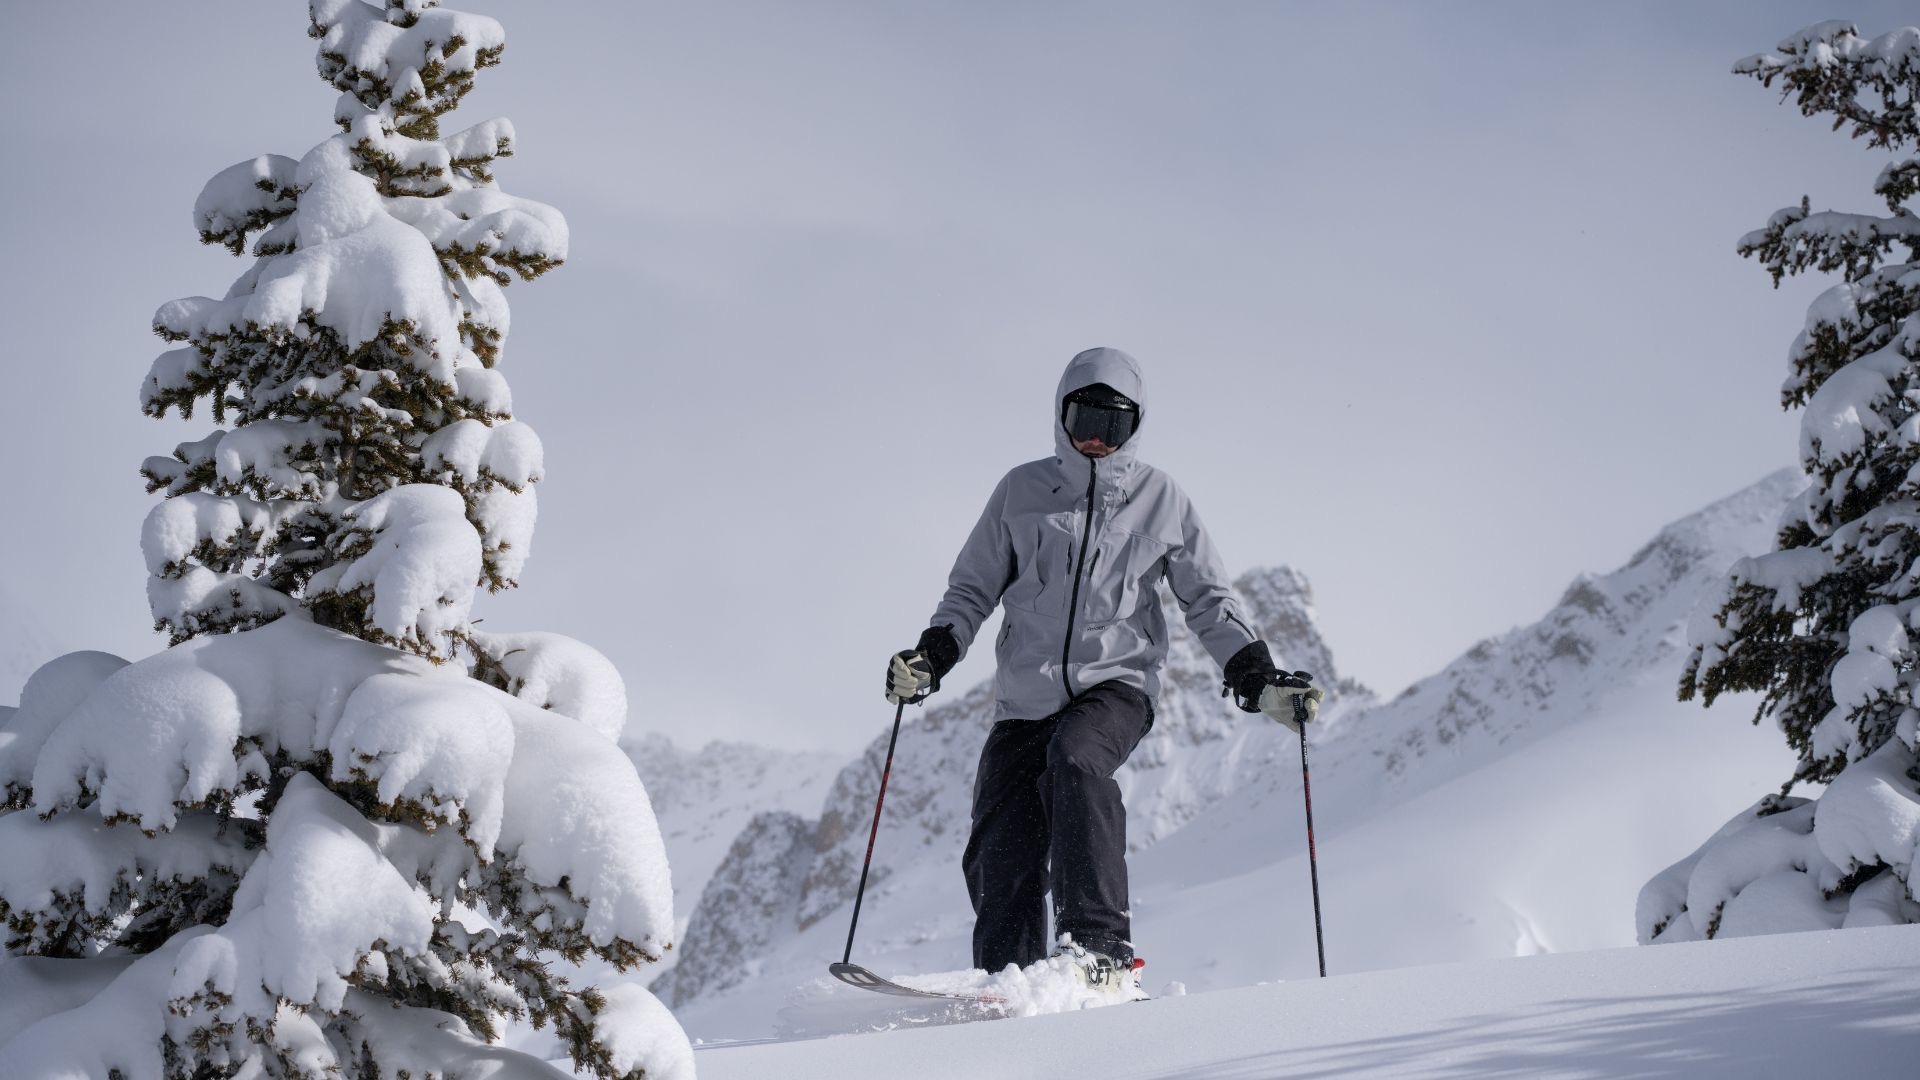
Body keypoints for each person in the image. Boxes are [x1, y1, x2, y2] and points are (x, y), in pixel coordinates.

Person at [884, 345, 1324, 994]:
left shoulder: (1161, 501)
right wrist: (933, 655)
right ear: (1060, 416)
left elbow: (1208, 598)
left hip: (1115, 686)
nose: (1094, 438)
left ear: (1134, 427)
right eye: (1082, 419)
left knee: (1077, 762)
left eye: (1112, 425)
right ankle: (1011, 980)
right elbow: (971, 589)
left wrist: (1257, 677)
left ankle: (1099, 952)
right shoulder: (1021, 492)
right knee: (1000, 836)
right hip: (1023, 698)